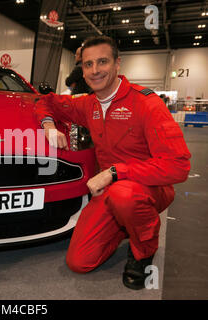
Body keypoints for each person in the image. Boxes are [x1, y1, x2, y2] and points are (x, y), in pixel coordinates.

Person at [35, 35, 191, 290]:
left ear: (118, 63)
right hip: (109, 192)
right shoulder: (88, 104)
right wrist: (48, 125)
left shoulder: (146, 103)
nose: (95, 70)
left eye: (102, 62)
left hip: (149, 188)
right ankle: (130, 223)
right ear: (82, 70)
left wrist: (115, 172)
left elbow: (178, 166)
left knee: (124, 195)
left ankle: (143, 251)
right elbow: (45, 101)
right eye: (88, 65)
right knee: (79, 262)